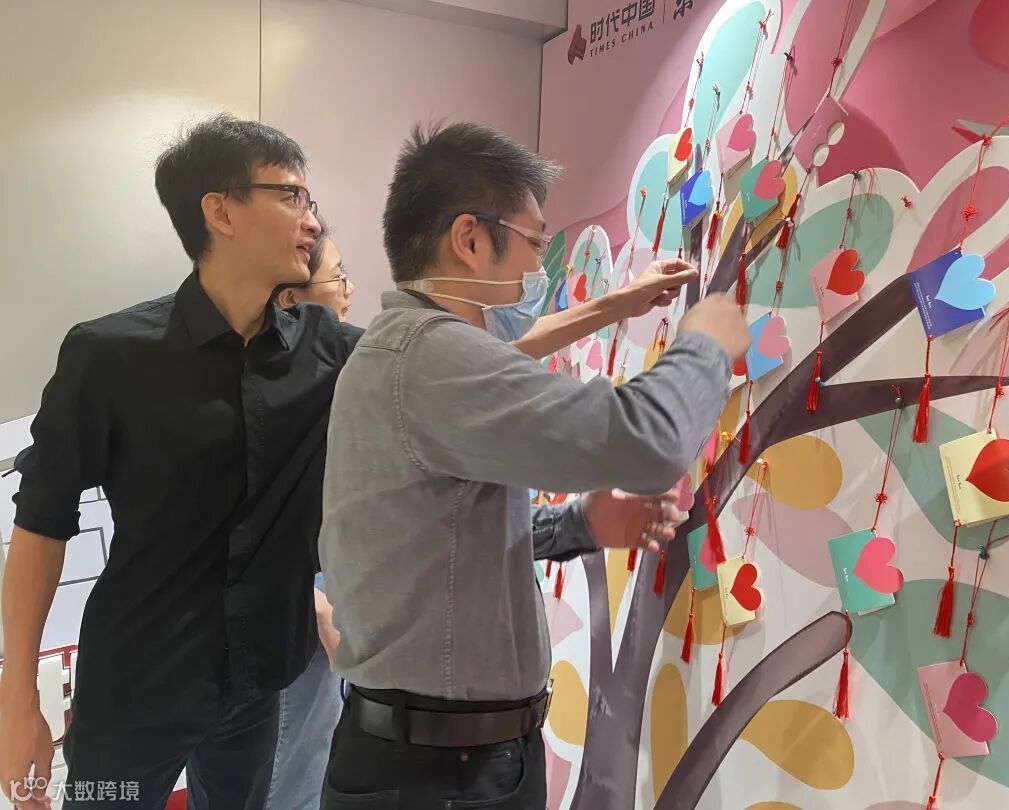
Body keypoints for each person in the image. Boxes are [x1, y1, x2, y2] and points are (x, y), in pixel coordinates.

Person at [318, 122, 750, 809]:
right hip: (438, 774)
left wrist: (579, 524)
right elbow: (647, 443)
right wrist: (705, 346)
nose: (538, 269)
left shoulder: (407, 351)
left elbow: (445, 533)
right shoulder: (431, 359)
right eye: (535, 243)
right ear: (469, 239)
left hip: (446, 758)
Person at [0, 114, 364, 810]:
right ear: (220, 211)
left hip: (257, 683)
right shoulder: (110, 355)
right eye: (290, 195)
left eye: (309, 200)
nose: (312, 220)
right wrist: (17, 702)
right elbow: (42, 523)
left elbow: (430, 369)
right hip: (138, 679)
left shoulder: (325, 349)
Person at [265, 218, 350, 810]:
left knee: (315, 756)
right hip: (296, 607)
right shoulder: (272, 395)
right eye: (338, 277)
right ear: (292, 300)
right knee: (291, 769)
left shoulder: (332, 373)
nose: (349, 288)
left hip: (327, 592)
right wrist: (311, 599)